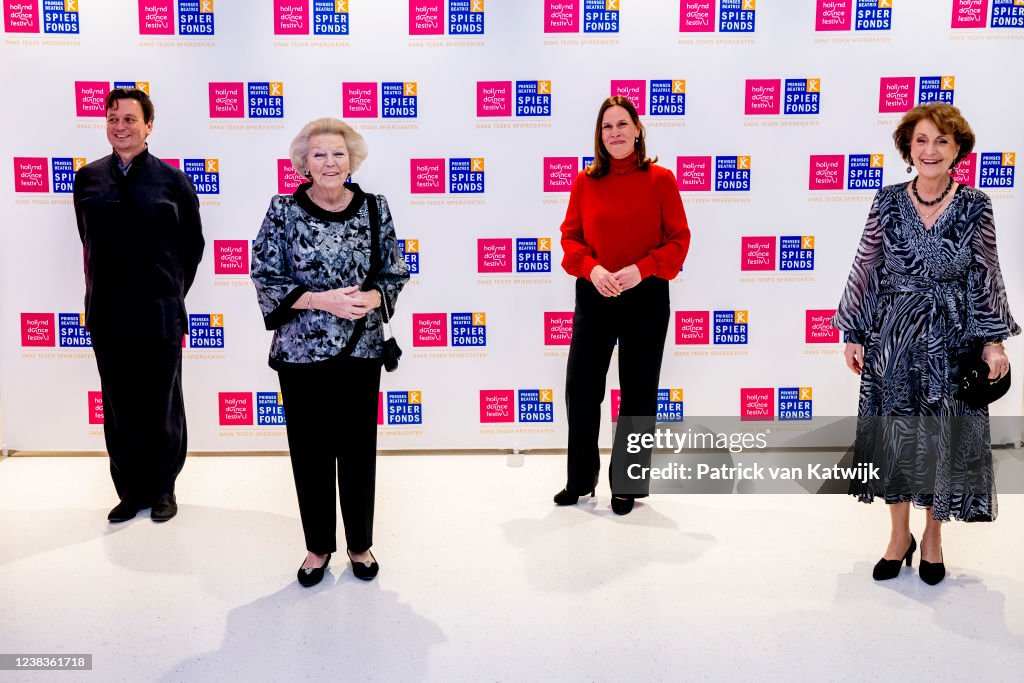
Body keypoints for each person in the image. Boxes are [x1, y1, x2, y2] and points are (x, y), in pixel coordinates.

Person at [832, 102, 1018, 585]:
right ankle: (899, 536)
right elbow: (867, 267)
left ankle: (933, 536)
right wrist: (853, 330)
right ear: (907, 148)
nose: (930, 150)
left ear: (958, 148)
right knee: (894, 437)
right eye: (921, 140)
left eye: (941, 140)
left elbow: (985, 275)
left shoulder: (976, 204)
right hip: (893, 337)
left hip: (953, 340)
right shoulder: (887, 200)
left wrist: (993, 342)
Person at [251, 118, 409, 587]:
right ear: (304, 163)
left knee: (358, 451)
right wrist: (323, 300)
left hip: (362, 348)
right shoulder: (282, 211)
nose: (329, 162)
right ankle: (317, 547)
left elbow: (394, 271)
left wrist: (373, 298)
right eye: (318, 155)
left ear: (351, 159)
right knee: (310, 452)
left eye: (338, 153)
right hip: (301, 354)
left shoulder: (375, 208)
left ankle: (360, 545)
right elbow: (265, 274)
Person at [554, 96, 691, 515]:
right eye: (606, 127)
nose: (614, 133)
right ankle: (579, 480)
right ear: (600, 136)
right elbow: (570, 239)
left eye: (621, 124)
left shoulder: (661, 181)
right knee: (581, 388)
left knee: (638, 392)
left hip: (645, 297)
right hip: (596, 294)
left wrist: (643, 268)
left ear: (637, 130)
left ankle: (627, 484)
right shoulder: (584, 182)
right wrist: (593, 269)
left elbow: (679, 240)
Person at [73, 88, 205, 523]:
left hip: (160, 311)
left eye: (130, 119)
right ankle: (130, 491)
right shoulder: (88, 179)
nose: (120, 127)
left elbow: (192, 247)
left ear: (149, 126)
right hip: (107, 312)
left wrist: (169, 290)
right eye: (113, 119)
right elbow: (86, 239)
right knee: (119, 404)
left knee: (162, 402)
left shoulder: (173, 181)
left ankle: (163, 488)